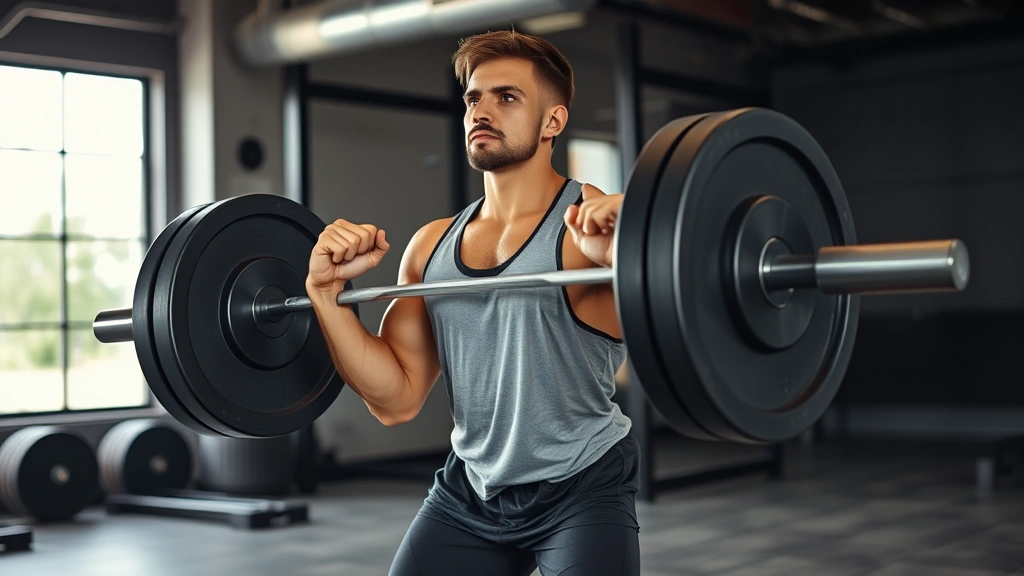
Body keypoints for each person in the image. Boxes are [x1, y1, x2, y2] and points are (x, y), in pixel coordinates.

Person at [305, 30, 640, 576]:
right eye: (473, 98)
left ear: (553, 122)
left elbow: (648, 319)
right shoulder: (431, 244)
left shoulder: (591, 224)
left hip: (581, 483)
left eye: (506, 97)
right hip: (472, 489)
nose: (481, 110)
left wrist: (622, 260)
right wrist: (325, 296)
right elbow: (397, 400)